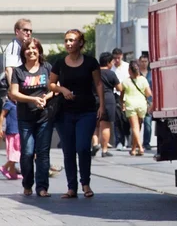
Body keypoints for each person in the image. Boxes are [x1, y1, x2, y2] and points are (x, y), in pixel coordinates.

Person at [49, 29, 103, 198]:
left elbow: (99, 84)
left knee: (83, 148)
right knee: (69, 150)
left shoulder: (90, 62)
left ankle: (85, 184)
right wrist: (62, 88)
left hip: (86, 111)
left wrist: (102, 105)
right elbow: (51, 84)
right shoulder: (59, 63)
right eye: (66, 40)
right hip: (64, 113)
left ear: (81, 43)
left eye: (72, 40)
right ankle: (71, 187)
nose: (69, 43)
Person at [9, 38, 54, 197]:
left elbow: (54, 89)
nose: (31, 51)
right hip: (25, 118)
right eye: (28, 49)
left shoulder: (47, 68)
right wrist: (33, 99)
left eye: (35, 48)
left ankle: (42, 188)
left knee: (43, 153)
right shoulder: (19, 71)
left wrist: (45, 98)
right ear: (23, 52)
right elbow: (14, 93)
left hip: (44, 117)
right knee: (27, 152)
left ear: (39, 51)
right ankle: (27, 184)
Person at [120, 60, 151, 156]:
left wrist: (122, 104)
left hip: (131, 105)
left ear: (129, 70)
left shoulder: (126, 81)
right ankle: (133, 149)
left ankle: (140, 148)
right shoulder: (143, 79)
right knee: (138, 128)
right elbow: (149, 93)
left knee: (134, 127)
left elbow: (121, 94)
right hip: (142, 105)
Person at [97, 52, 122, 158]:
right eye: (112, 61)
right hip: (108, 100)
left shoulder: (94, 73)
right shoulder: (111, 74)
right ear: (108, 62)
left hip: (95, 99)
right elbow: (119, 88)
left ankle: (94, 144)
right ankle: (104, 149)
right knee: (106, 125)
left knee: (95, 125)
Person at [4, 18, 33, 87]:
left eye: (30, 31)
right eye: (25, 30)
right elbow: (9, 70)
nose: (28, 33)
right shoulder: (13, 47)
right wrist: (13, 91)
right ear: (17, 31)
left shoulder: (28, 46)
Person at [111, 48, 129, 151]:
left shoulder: (126, 66)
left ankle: (127, 137)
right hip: (115, 95)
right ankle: (119, 141)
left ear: (122, 56)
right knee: (117, 119)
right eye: (115, 58)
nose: (117, 60)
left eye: (118, 58)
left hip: (126, 95)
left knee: (126, 120)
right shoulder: (111, 68)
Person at [0, 98, 21, 179]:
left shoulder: (17, 103)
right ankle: (4, 167)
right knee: (16, 152)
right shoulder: (8, 104)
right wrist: (0, 128)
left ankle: (12, 172)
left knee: (16, 152)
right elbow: (2, 115)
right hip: (12, 131)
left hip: (18, 130)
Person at [138, 53, 153, 151]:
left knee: (148, 124)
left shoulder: (151, 74)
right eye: (142, 61)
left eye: (145, 61)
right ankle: (136, 143)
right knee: (137, 124)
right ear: (139, 62)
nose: (144, 64)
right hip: (137, 101)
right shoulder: (136, 73)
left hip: (148, 102)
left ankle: (146, 143)